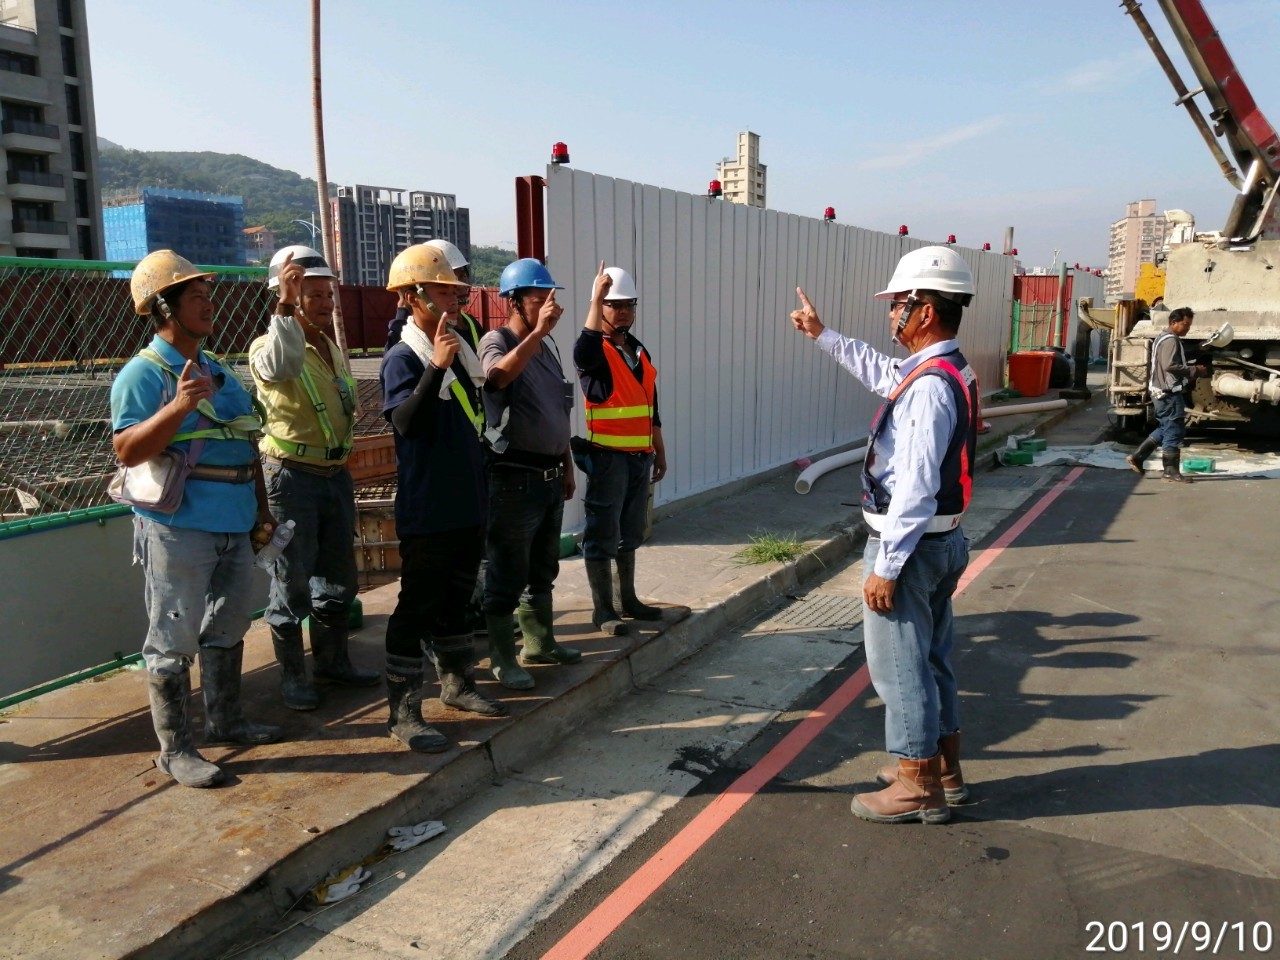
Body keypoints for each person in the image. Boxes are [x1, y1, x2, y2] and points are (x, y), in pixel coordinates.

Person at [789, 245, 980, 825]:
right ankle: (943, 767)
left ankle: (916, 782)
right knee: (932, 659)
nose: (891, 314)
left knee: (899, 667)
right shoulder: (945, 368)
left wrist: (886, 566)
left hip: (914, 547)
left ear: (925, 311)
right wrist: (823, 334)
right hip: (942, 543)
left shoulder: (928, 387)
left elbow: (915, 489)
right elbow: (881, 374)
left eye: (899, 304)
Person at [111, 250, 282, 788]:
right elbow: (126, 449)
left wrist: (261, 509)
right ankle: (175, 750)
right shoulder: (143, 374)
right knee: (173, 633)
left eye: (210, 296)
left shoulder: (216, 369)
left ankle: (226, 719)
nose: (211, 307)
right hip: (180, 525)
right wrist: (179, 407)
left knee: (229, 625)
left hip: (234, 519)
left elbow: (247, 441)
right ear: (165, 307)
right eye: (197, 298)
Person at [380, 243, 505, 754]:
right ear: (413, 296)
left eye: (456, 291)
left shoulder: (461, 347)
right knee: (417, 605)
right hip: (429, 506)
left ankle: (456, 684)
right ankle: (403, 712)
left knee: (459, 599)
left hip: (466, 500)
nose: (453, 299)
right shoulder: (403, 357)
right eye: (442, 291)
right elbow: (406, 423)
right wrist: (434, 368)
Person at [249, 245, 378, 711]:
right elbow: (281, 368)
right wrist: (284, 306)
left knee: (339, 579)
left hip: (332, 477)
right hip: (290, 481)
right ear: (286, 295)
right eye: (313, 295)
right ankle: (293, 679)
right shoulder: (269, 346)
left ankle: (331, 662)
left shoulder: (330, 348)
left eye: (328, 294)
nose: (326, 304)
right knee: (291, 583)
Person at [478, 258, 581, 690]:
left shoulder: (549, 349)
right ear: (513, 302)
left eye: (549, 301)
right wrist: (537, 334)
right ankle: (502, 658)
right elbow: (496, 379)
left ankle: (539, 643)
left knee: (543, 568)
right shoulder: (497, 340)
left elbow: (558, 411)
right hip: (512, 479)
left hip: (548, 476)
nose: (547, 310)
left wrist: (567, 464)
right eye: (538, 301)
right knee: (507, 571)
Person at [573, 263, 686, 635]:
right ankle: (603, 611)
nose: (623, 311)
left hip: (639, 458)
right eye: (614, 304)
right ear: (601, 307)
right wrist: (594, 298)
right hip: (607, 458)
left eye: (629, 304)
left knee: (630, 531)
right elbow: (583, 349)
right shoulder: (595, 352)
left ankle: (628, 600)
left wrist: (659, 450)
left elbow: (651, 405)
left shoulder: (637, 350)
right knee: (601, 533)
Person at [1127, 307, 1195, 483]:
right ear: (1173, 322)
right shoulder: (1171, 340)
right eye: (1185, 324)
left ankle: (1138, 457)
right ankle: (1170, 471)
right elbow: (1170, 365)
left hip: (1160, 391)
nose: (1187, 328)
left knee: (1166, 427)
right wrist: (1194, 370)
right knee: (1174, 429)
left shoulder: (1162, 337)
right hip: (1168, 392)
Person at [386, 239, 471, 349]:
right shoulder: (404, 345)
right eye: (443, 291)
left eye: (462, 276)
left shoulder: (470, 323)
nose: (461, 285)